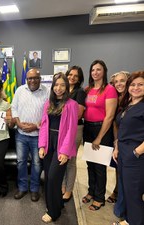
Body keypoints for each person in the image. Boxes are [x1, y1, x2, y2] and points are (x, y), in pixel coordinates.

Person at [38, 73, 78, 223]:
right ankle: (58, 204)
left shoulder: (72, 104)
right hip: (49, 142)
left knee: (54, 178)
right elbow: (43, 125)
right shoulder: (48, 104)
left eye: (62, 85)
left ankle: (53, 212)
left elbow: (71, 130)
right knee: (48, 177)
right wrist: (42, 145)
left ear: (66, 86)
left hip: (62, 144)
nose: (58, 88)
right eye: (56, 85)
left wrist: (65, 152)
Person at [82, 59, 117, 211]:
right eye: (93, 70)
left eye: (98, 70)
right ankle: (91, 191)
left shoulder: (109, 89)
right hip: (88, 128)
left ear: (104, 71)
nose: (95, 72)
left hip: (101, 130)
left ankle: (99, 198)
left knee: (99, 166)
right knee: (90, 163)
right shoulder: (88, 89)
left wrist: (99, 138)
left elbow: (109, 117)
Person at [11, 68, 49, 202]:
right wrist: (19, 124)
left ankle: (34, 189)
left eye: (35, 78)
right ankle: (22, 187)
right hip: (21, 134)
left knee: (37, 163)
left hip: (38, 135)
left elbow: (48, 113)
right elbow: (14, 108)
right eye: (29, 78)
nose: (32, 81)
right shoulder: (20, 90)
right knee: (21, 162)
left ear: (40, 79)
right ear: (26, 79)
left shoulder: (47, 92)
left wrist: (35, 126)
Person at [112, 71, 144, 225]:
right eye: (133, 85)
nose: (136, 87)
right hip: (123, 152)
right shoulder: (128, 104)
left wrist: (136, 152)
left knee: (134, 192)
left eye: (140, 84)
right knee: (125, 188)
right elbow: (122, 127)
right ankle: (128, 219)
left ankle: (135, 221)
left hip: (136, 155)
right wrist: (117, 147)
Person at [62, 66, 86, 202]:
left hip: (75, 129)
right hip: (62, 129)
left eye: (75, 76)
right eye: (70, 74)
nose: (72, 77)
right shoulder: (63, 90)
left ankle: (69, 189)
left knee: (70, 160)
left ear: (79, 79)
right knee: (62, 158)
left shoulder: (80, 92)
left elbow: (79, 114)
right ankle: (63, 185)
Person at [108, 71, 130, 221]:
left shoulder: (133, 99)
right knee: (117, 169)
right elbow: (115, 123)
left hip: (132, 143)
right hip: (118, 140)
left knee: (128, 176)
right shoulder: (117, 98)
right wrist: (116, 143)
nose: (119, 84)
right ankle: (117, 193)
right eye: (116, 82)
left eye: (123, 81)